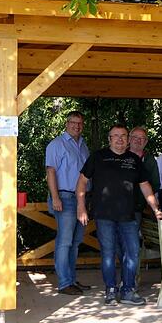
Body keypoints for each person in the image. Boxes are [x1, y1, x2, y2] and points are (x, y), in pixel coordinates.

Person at [76, 124, 162, 307]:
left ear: (127, 139)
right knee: (108, 254)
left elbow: (145, 185)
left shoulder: (134, 160)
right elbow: (82, 182)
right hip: (104, 215)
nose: (119, 139)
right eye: (115, 136)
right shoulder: (98, 157)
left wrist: (155, 208)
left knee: (132, 253)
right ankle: (110, 291)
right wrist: (81, 207)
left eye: (123, 136)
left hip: (129, 216)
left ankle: (128, 291)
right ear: (109, 139)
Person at [45, 111, 91, 296]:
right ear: (66, 123)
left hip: (81, 199)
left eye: (80, 123)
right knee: (65, 241)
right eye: (73, 122)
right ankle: (64, 283)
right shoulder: (57, 144)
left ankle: (71, 279)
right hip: (64, 197)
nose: (76, 126)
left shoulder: (83, 146)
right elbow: (51, 172)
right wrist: (55, 197)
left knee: (76, 241)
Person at [129, 126, 160, 221]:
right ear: (129, 139)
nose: (138, 140)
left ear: (146, 142)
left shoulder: (150, 160)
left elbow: (155, 184)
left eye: (142, 138)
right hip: (118, 206)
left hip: (138, 208)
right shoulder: (119, 157)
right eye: (135, 137)